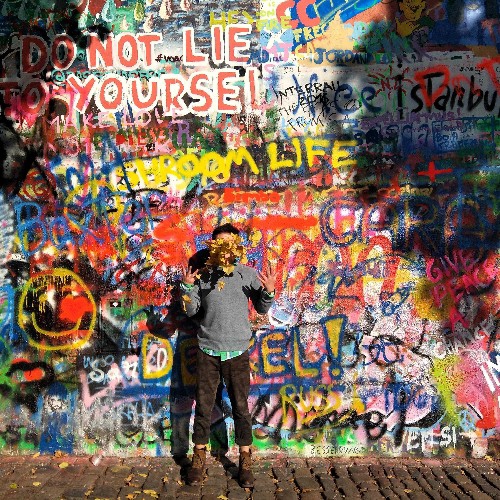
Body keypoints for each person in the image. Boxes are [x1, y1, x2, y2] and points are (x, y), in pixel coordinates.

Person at [180, 223, 276, 487]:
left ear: (237, 246)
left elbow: (261, 307)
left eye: (228, 242)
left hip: (237, 352)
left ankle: (245, 461)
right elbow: (191, 311)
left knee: (241, 408)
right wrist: (187, 289)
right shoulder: (203, 276)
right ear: (212, 246)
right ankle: (198, 460)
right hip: (208, 350)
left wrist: (268, 291)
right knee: (203, 406)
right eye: (218, 242)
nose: (223, 247)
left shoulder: (246, 274)